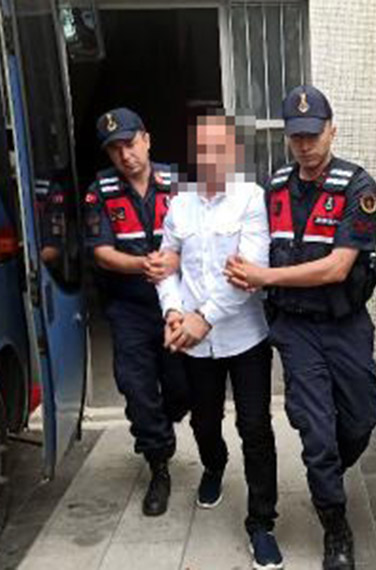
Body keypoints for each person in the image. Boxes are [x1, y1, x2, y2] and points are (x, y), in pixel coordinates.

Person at [225, 86, 376, 570]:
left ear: (332, 130)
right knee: (317, 432)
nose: (306, 145)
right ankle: (335, 525)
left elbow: (337, 267)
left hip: (344, 322)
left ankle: (328, 466)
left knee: (362, 415)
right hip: (295, 328)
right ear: (287, 138)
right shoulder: (273, 188)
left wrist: (265, 277)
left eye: (314, 134)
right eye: (297, 137)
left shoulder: (357, 187)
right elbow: (249, 246)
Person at [156, 114, 283, 569]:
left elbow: (247, 273)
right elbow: (166, 265)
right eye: (202, 149)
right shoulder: (179, 205)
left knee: (255, 427)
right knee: (204, 421)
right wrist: (173, 311)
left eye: (219, 148)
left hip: (245, 337)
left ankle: (261, 522)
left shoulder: (251, 198)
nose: (211, 158)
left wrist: (202, 319)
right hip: (195, 342)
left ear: (233, 151)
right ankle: (214, 464)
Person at [83, 107, 188, 516]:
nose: (125, 155)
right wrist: (143, 265)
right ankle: (158, 463)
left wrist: (172, 264)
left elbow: (198, 241)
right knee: (137, 388)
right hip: (129, 305)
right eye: (115, 149)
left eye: (129, 144)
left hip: (176, 303)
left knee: (182, 387)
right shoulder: (101, 191)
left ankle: (164, 423)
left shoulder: (177, 184)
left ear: (146, 139)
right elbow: (102, 253)